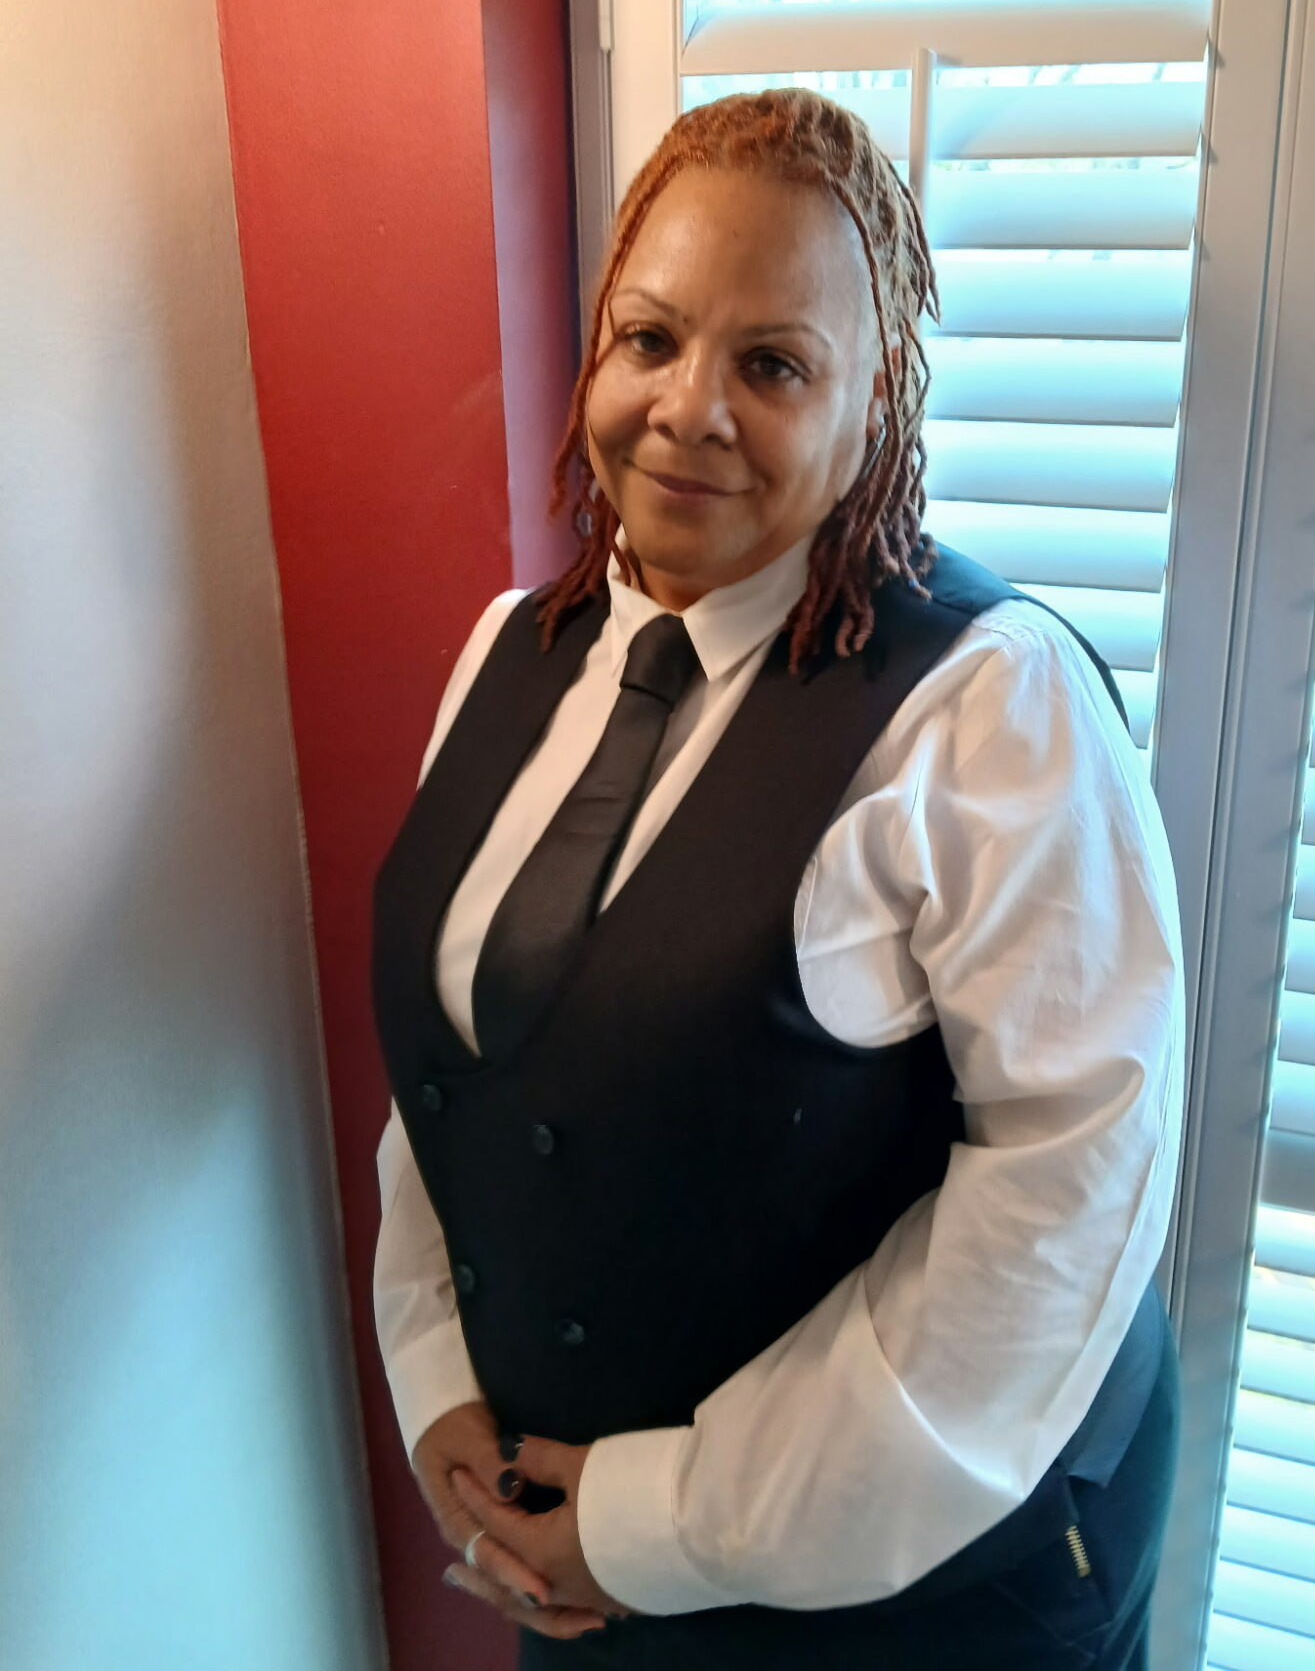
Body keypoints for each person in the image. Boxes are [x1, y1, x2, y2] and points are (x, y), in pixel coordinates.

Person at [371, 88, 1185, 1667]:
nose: (688, 408)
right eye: (651, 339)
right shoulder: (502, 656)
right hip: (570, 1540)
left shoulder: (991, 713)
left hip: (922, 1589)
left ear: (876, 403)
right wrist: (435, 1378)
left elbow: (1059, 1212)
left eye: (773, 364)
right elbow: (454, 1073)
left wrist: (660, 1525)